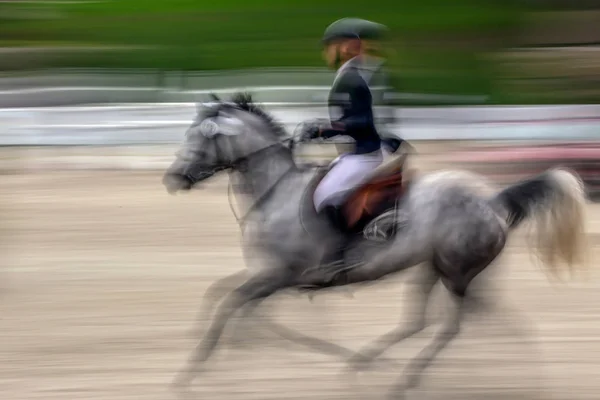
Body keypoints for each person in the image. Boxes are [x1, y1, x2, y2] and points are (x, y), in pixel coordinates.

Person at [303, 18, 385, 275]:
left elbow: (362, 121)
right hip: (353, 154)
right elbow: (346, 120)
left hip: (365, 155)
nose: (326, 52)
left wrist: (325, 130)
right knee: (318, 185)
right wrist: (323, 130)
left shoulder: (352, 79)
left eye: (330, 46)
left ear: (344, 47)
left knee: (324, 194)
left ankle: (340, 256)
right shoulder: (347, 76)